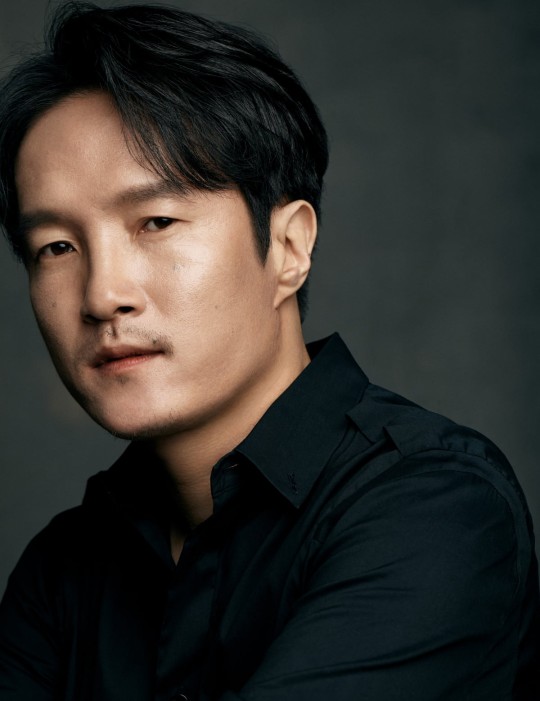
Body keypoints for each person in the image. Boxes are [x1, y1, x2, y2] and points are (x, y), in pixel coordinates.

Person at [0, 3, 538, 699]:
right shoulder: (63, 569)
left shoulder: (435, 507)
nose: (103, 295)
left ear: (288, 247)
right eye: (56, 247)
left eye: (156, 221)